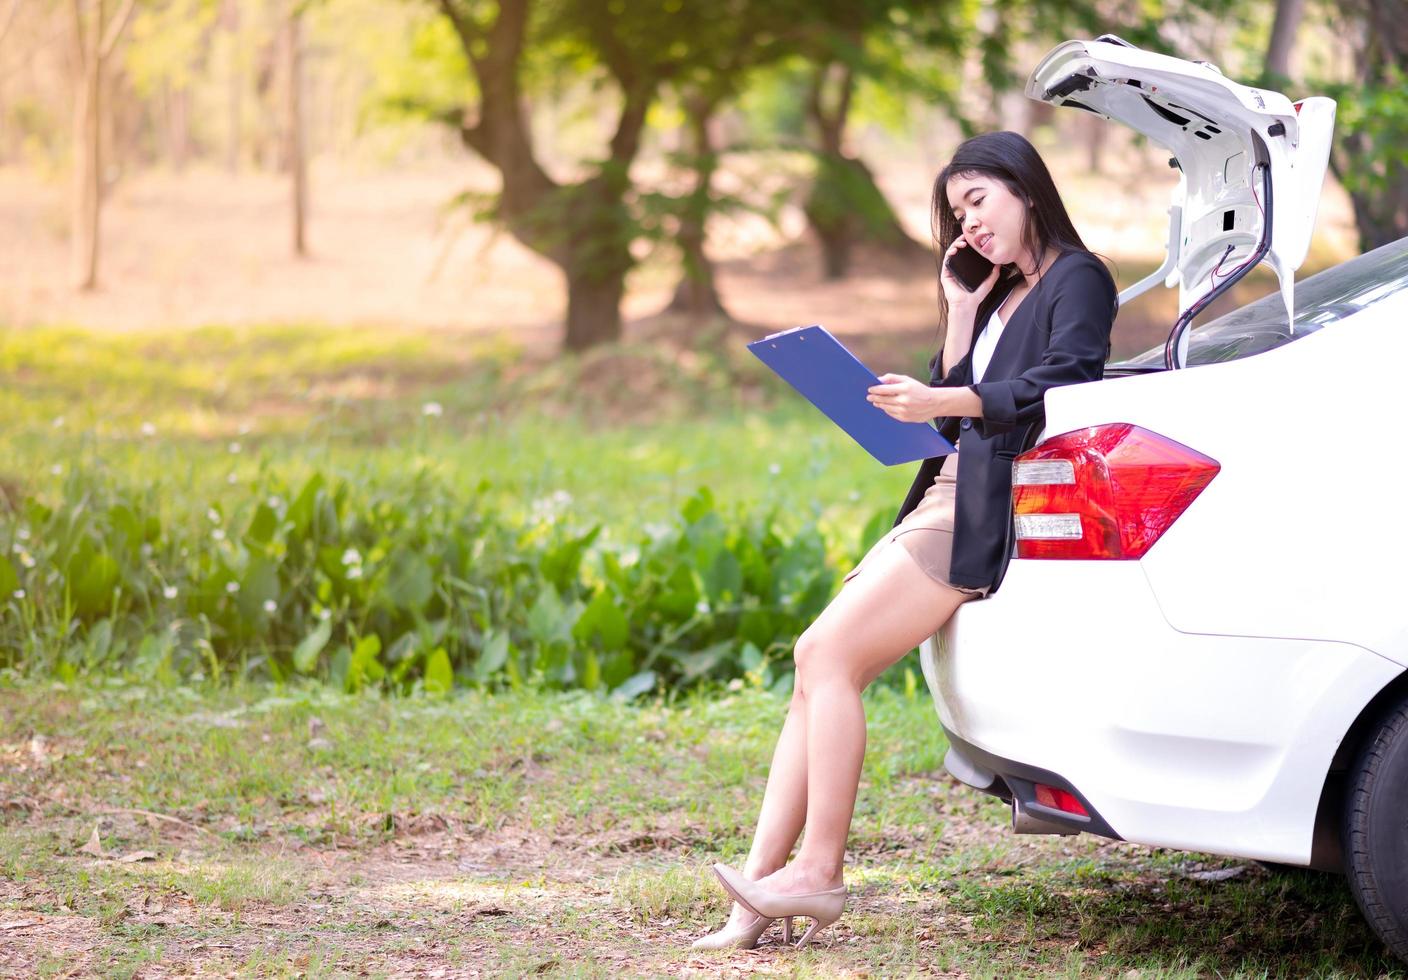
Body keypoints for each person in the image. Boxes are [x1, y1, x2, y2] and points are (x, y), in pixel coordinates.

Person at [694, 130, 1118, 951]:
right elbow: (958, 389)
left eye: (980, 201)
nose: (972, 225)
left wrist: (942, 403)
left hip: (983, 505)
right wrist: (960, 314)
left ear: (1026, 187)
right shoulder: (996, 297)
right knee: (812, 671)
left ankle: (817, 876)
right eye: (959, 213)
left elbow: (1067, 386)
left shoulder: (1079, 278)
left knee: (826, 658)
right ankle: (756, 900)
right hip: (947, 488)